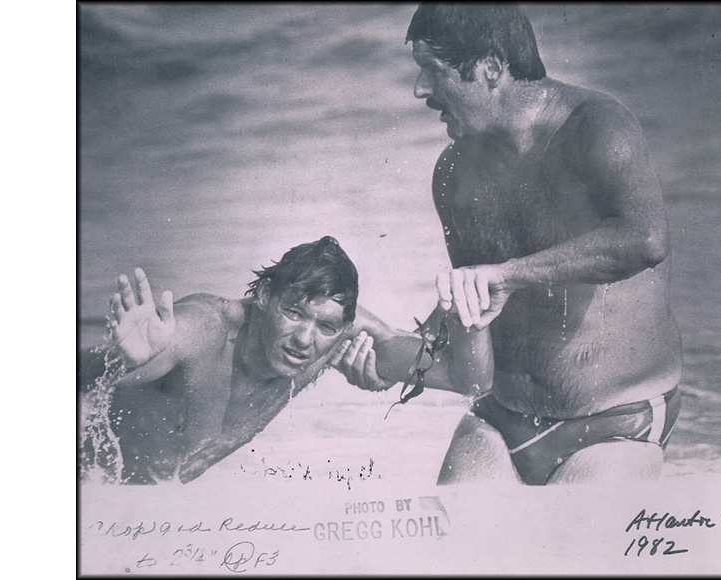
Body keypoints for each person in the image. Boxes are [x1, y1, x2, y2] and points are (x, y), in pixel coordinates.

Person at [343, 3, 683, 485]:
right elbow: (473, 306)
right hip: (500, 419)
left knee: (577, 558)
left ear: (490, 67)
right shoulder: (453, 173)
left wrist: (506, 275)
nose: (420, 90)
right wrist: (397, 361)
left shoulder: (595, 128)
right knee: (443, 553)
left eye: (433, 71)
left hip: (614, 422)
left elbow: (644, 239)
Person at [79, 236, 364, 484]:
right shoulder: (200, 332)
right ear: (264, 295)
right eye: (293, 313)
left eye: (326, 327)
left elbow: (398, 347)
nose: (304, 339)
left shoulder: (330, 330)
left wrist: (390, 372)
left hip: (144, 505)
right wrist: (118, 360)